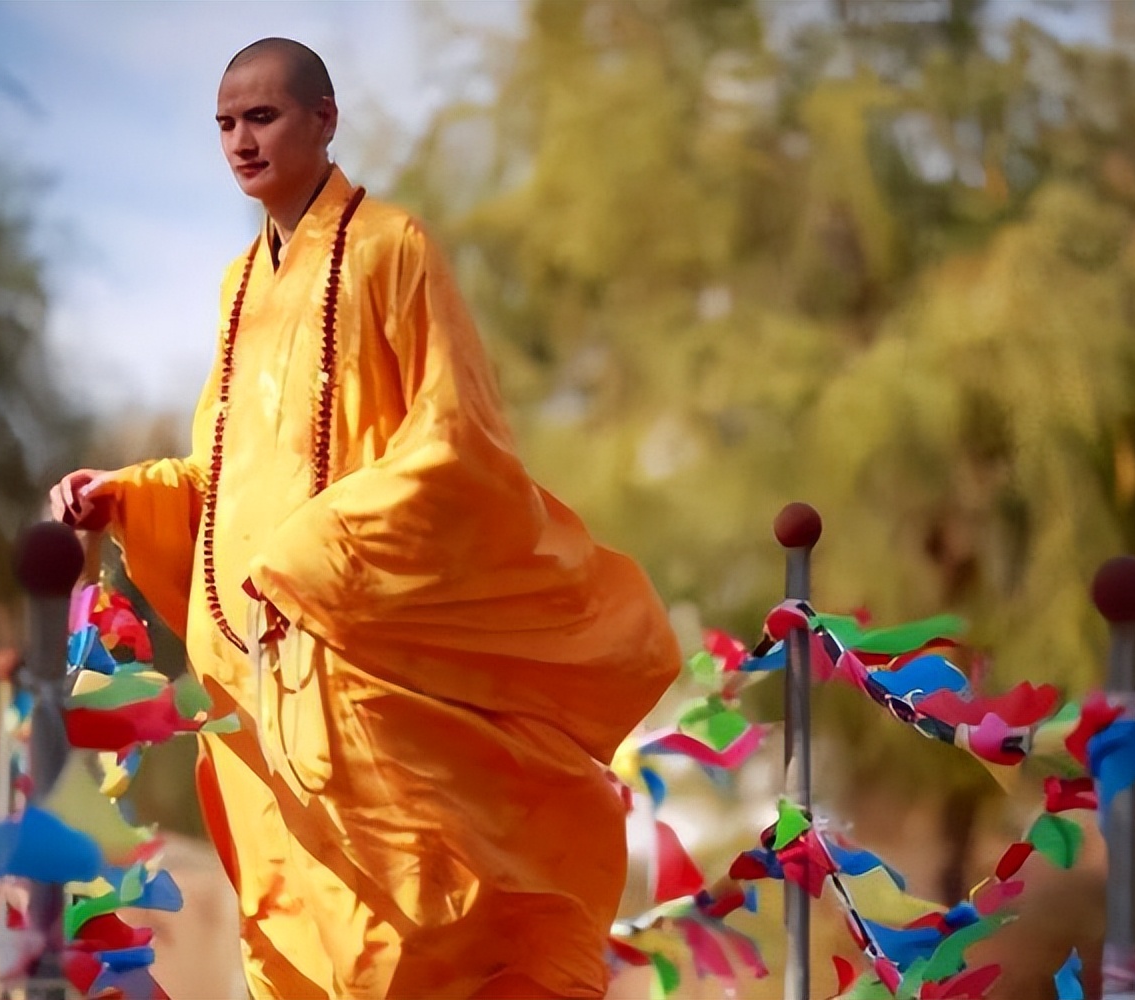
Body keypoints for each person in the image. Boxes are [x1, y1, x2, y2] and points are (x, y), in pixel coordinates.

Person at [52, 38, 679, 1000]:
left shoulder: (392, 247)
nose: (240, 141)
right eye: (224, 123)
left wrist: (308, 557)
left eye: (261, 116)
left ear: (324, 117)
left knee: (411, 935)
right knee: (288, 933)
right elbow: (229, 472)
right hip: (251, 688)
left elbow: (456, 443)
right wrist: (131, 495)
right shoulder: (237, 287)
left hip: (356, 664)